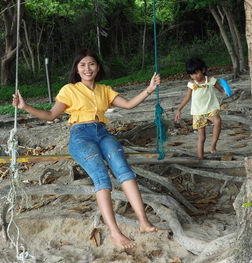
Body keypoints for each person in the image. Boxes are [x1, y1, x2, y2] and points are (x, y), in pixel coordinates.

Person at [12, 49, 160, 249]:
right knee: (101, 177)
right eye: (82, 65)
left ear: (97, 68)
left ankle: (143, 222)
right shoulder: (69, 90)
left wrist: (149, 89)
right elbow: (50, 115)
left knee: (125, 171)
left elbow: (128, 104)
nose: (87, 68)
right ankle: (115, 233)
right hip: (80, 135)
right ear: (77, 69)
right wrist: (25, 107)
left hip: (102, 133)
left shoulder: (105, 90)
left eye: (91, 64)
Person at [174, 57, 226, 160]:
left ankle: (213, 146)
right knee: (202, 137)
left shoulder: (211, 80)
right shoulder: (192, 84)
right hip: (198, 112)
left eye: (196, 73)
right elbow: (187, 97)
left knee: (218, 121)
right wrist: (179, 109)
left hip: (211, 108)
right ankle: (200, 157)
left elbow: (221, 89)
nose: (194, 76)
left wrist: (226, 91)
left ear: (203, 70)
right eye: (192, 74)